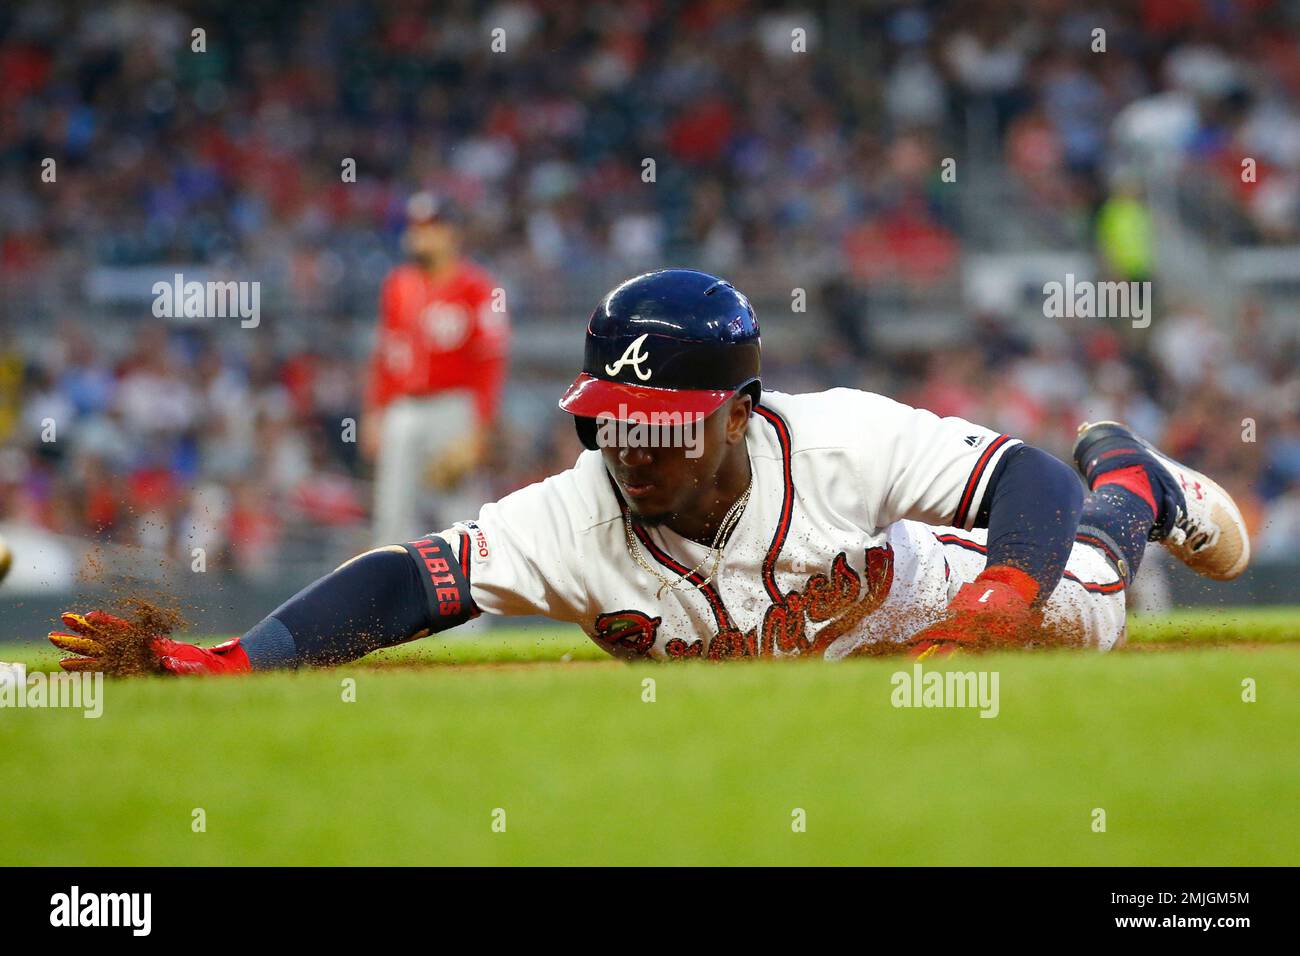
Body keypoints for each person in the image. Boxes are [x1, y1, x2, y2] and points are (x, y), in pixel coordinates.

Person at [49, 270, 1249, 672]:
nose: (628, 446)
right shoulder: (579, 511)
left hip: (937, 588)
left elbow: (1015, 477)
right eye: (609, 419)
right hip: (835, 676)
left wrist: (1006, 588)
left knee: (1088, 604)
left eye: (659, 421)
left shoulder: (829, 433)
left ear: (736, 411)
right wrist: (242, 657)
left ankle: (1133, 481)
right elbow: (413, 580)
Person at [364, 192, 509, 545]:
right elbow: (385, 354)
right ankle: (395, 595)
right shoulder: (398, 285)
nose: (421, 235)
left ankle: (468, 597)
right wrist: (373, 412)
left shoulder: (478, 287)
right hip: (402, 408)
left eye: (431, 227)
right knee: (392, 512)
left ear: (451, 232)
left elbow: (489, 361)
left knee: (459, 515)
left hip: (454, 406)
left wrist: (481, 429)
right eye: (416, 227)